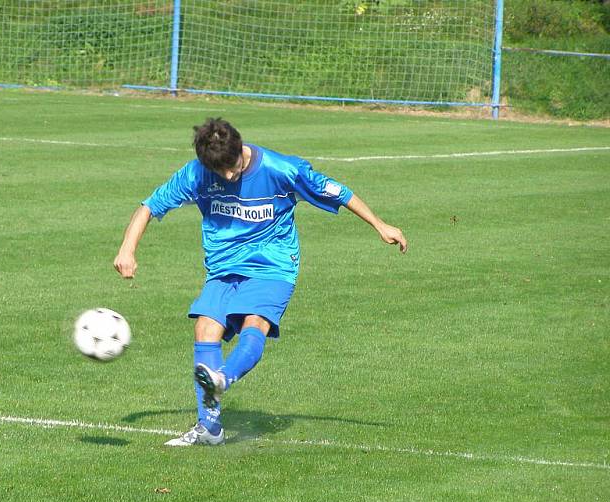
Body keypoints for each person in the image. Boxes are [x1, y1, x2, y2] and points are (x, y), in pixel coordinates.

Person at [114, 118, 407, 446]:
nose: (227, 176)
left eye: (232, 167)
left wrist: (380, 225)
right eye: (218, 171)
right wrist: (127, 249)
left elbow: (337, 191)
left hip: (273, 266)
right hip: (223, 268)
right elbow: (148, 207)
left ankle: (222, 379)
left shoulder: (282, 169)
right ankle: (209, 428)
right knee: (205, 328)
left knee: (255, 323)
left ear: (241, 148)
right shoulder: (195, 174)